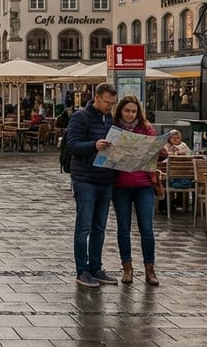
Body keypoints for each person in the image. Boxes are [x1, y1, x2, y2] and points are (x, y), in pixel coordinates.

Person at [65, 82, 119, 288]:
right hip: (85, 179)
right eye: (107, 102)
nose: (110, 107)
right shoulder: (81, 117)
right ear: (97, 98)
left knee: (100, 228)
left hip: (105, 180)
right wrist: (94, 145)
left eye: (113, 103)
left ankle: (96, 267)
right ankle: (82, 271)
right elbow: (72, 145)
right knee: (84, 227)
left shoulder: (110, 120)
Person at [109, 95, 159, 286]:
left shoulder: (146, 129)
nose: (130, 114)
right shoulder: (114, 130)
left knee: (147, 229)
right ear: (120, 111)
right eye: (126, 110)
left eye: (133, 111)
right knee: (123, 228)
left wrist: (160, 149)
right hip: (120, 186)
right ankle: (127, 269)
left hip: (143, 185)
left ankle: (150, 269)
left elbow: (160, 155)